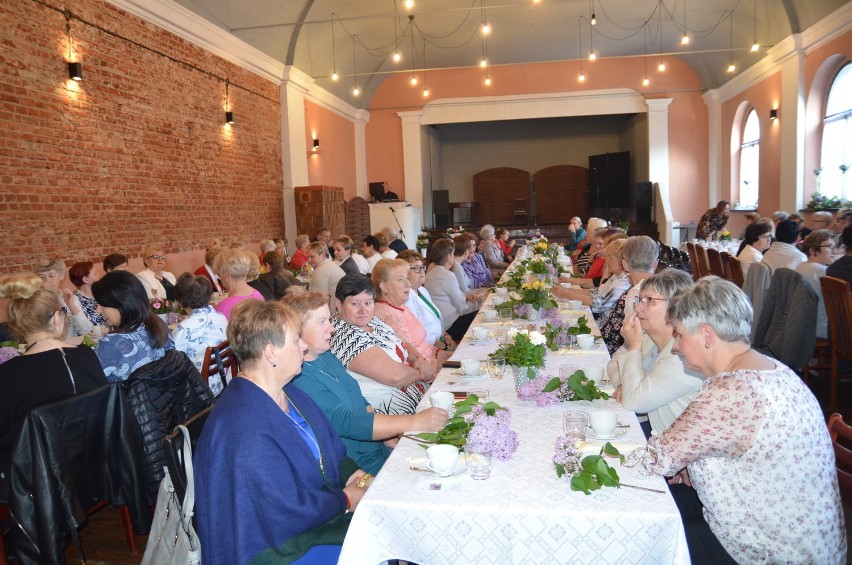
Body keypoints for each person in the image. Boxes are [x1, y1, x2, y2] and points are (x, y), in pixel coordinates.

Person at [624, 277, 845, 564]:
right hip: (805, 540)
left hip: (770, 551)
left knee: (642, 535)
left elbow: (651, 462)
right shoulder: (774, 369)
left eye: (678, 335)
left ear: (706, 334)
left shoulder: (731, 392)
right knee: (656, 506)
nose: (676, 347)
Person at [195, 299, 371, 564]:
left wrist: (356, 475)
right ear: (271, 353)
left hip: (313, 518)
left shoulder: (287, 391)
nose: (304, 346)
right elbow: (280, 512)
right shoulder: (244, 427)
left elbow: (329, 450)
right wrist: (345, 499)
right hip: (277, 548)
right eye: (296, 340)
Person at [288, 292, 447, 474]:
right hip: (356, 466)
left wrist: (385, 437)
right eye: (322, 322)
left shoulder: (325, 356)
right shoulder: (298, 378)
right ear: (296, 330)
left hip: (376, 448)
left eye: (329, 320)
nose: (331, 328)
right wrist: (414, 422)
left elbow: (361, 401)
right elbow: (347, 422)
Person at [0, 274, 108, 501]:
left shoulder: (8, 375)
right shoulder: (86, 356)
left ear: (17, 326)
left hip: (37, 480)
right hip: (94, 465)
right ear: (57, 318)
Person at [608, 269, 703, 435]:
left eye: (649, 300)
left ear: (676, 306)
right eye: (640, 299)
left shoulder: (683, 356)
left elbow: (634, 403)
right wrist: (624, 385)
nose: (638, 307)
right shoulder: (650, 337)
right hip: (656, 431)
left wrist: (634, 347)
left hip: (678, 448)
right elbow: (613, 363)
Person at [330, 274, 431, 415]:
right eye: (354, 303)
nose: (363, 310)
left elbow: (402, 342)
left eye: (368, 303)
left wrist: (419, 359)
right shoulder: (344, 336)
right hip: (395, 418)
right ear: (339, 305)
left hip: (420, 398)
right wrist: (422, 372)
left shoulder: (371, 321)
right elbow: (395, 376)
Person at [373, 259, 452, 380]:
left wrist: (440, 354)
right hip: (421, 377)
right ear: (383, 286)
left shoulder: (401, 307)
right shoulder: (386, 314)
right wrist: (441, 363)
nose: (407, 284)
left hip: (432, 361)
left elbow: (423, 346)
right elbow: (409, 361)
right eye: (400, 279)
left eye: (407, 278)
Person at [92, 270, 174, 381]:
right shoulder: (159, 325)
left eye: (102, 304)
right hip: (164, 395)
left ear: (122, 304)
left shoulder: (112, 344)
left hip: (129, 398)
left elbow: (86, 381)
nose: (98, 310)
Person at [599, 236, 659, 355]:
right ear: (655, 264)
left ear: (625, 265)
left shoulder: (635, 293)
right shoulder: (663, 287)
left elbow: (629, 341)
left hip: (638, 356)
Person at [171, 274, 228, 392]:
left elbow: (173, 364)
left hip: (201, 389)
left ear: (181, 301)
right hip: (225, 378)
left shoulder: (183, 329)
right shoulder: (220, 316)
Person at [554, 239, 630, 324]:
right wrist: (565, 290)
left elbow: (599, 304)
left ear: (622, 261)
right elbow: (596, 292)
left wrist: (566, 294)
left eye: (611, 258)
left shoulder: (623, 282)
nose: (607, 261)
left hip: (603, 324)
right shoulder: (617, 276)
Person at [424, 239, 481, 342]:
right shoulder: (447, 275)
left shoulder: (431, 273)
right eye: (453, 253)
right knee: (481, 317)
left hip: (443, 322)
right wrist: (477, 307)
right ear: (448, 256)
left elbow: (454, 296)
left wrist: (466, 297)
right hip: (451, 324)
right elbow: (461, 306)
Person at [398, 250, 455, 351]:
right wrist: (444, 347)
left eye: (422, 267)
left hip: (441, 341)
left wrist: (446, 335)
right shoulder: (406, 299)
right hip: (428, 349)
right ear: (403, 273)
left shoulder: (421, 290)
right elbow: (416, 335)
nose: (421, 271)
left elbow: (435, 319)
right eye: (416, 268)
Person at [34, 258, 100, 340]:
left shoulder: (71, 298)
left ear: (61, 275)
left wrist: (71, 305)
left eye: (51, 276)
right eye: (41, 277)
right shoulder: (35, 302)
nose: (47, 281)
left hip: (69, 347)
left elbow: (87, 331)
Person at [796, 229, 836, 340]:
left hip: (802, 326)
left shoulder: (800, 267)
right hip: (822, 327)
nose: (834, 251)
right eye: (830, 247)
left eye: (835, 247)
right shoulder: (823, 272)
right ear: (814, 250)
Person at [213, 248, 265, 320]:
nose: (219, 278)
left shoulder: (224, 307)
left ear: (225, 275)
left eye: (219, 274)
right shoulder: (258, 295)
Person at [67, 261, 109, 332]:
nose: (100, 276)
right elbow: (84, 330)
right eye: (95, 274)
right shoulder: (73, 300)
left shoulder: (103, 294)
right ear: (85, 279)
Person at [307, 242, 346, 314]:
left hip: (333, 314)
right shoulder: (330, 264)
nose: (309, 260)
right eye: (308, 257)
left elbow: (319, 301)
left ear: (323, 255)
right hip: (342, 311)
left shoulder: (320, 270)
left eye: (312, 257)